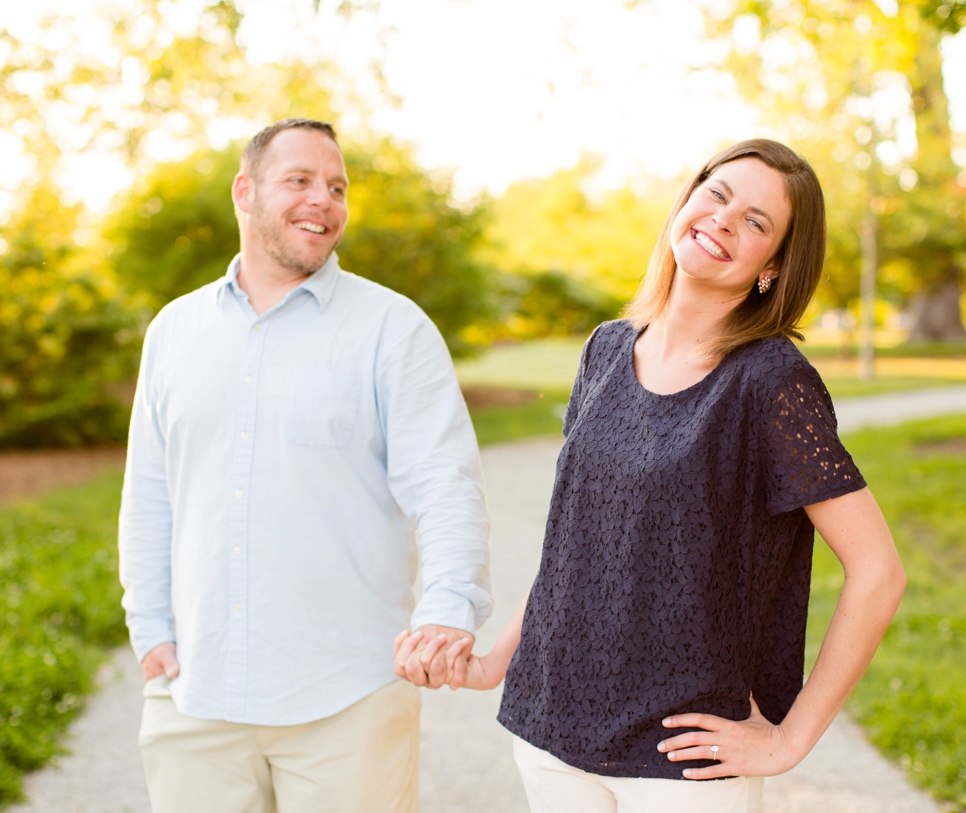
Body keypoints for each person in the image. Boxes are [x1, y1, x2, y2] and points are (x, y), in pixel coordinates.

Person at [395, 139, 906, 813]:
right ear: (687, 203)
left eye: (756, 221)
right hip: (552, 730)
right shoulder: (606, 349)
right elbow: (579, 545)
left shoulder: (771, 382)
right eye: (717, 195)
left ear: (774, 266)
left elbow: (879, 571)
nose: (724, 219)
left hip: (682, 762)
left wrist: (790, 740)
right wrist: (496, 661)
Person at [119, 117, 492, 813]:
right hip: (196, 698)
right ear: (245, 192)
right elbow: (148, 492)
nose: (323, 199)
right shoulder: (174, 331)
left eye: (337, 186)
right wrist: (151, 628)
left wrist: (448, 607)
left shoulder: (393, 328)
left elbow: (445, 486)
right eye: (299, 180)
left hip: (346, 697)